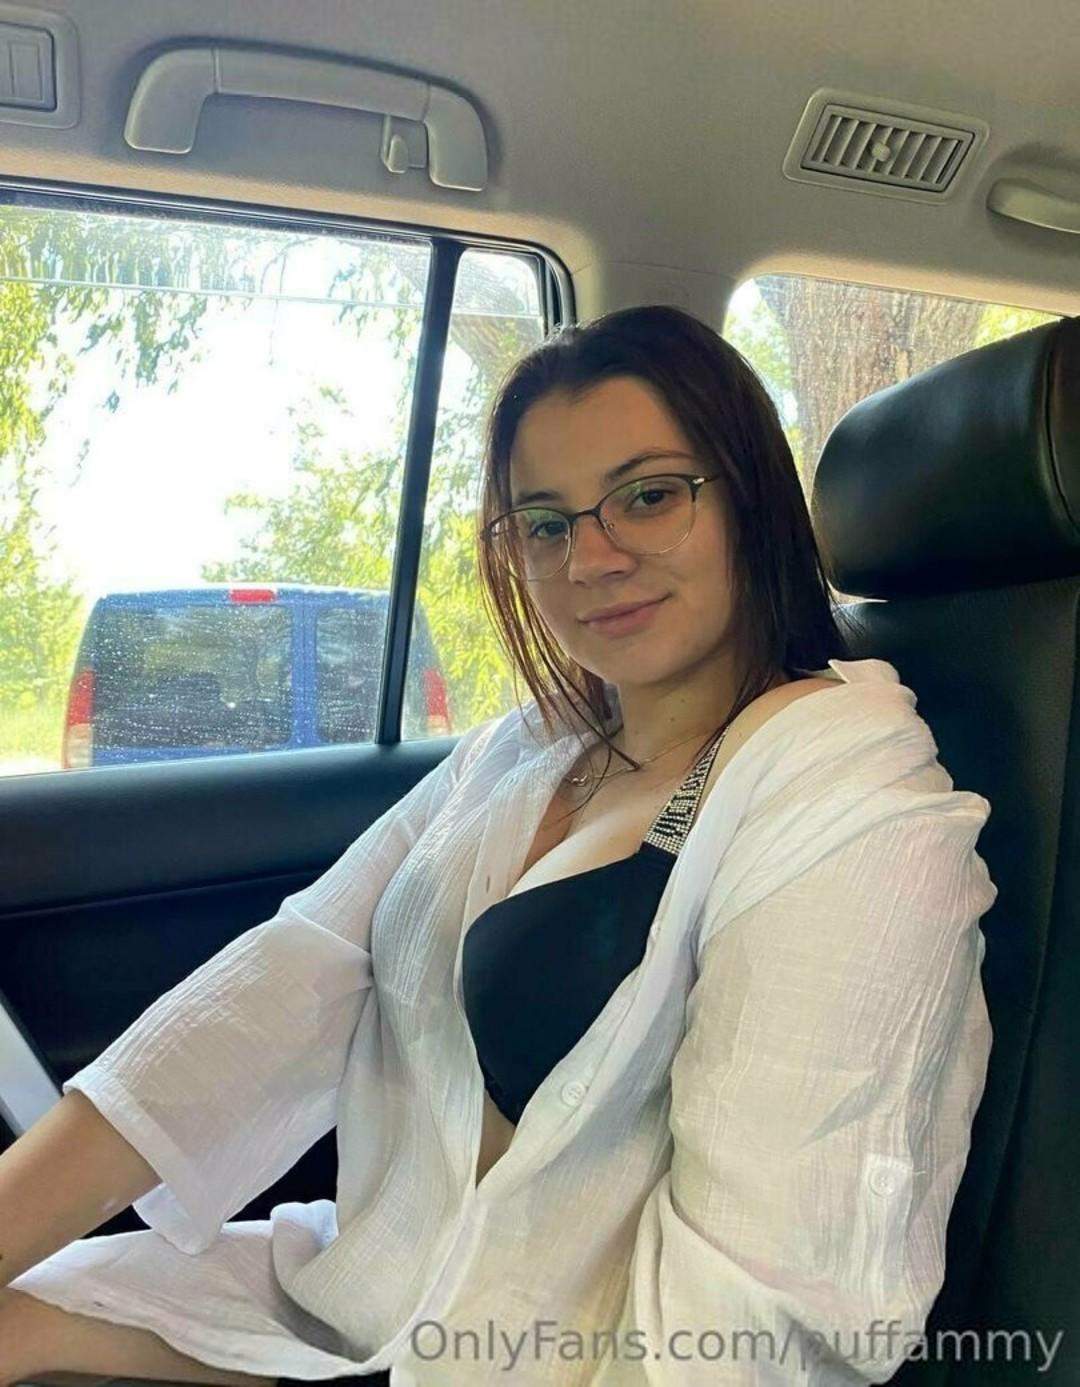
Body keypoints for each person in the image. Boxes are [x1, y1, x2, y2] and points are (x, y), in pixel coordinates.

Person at [0, 305, 997, 1386]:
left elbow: (759, 1317)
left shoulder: (854, 806)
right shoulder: (527, 749)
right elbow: (285, 980)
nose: (592, 557)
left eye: (650, 496)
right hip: (372, 1302)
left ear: (749, 497)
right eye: (545, 523)